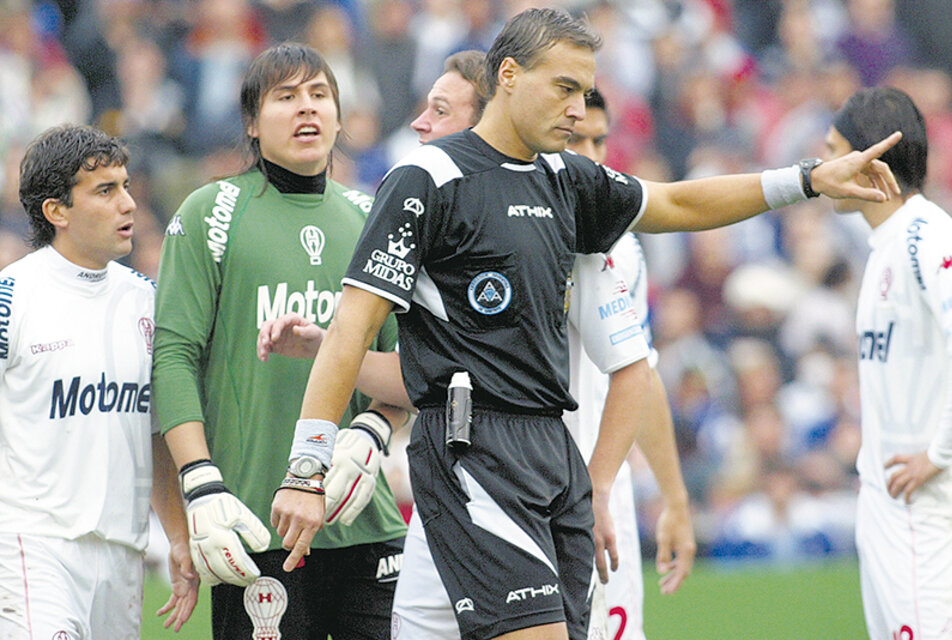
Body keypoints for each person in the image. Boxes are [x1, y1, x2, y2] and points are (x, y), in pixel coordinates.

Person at [270, 9, 901, 640]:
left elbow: (676, 201)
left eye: (585, 90)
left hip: (556, 454)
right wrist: (307, 469)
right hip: (473, 452)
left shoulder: (567, 181)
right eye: (564, 87)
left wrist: (808, 180)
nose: (578, 108)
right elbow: (350, 331)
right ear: (509, 75)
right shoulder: (429, 178)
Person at [260, 64, 696, 640]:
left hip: (561, 495)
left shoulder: (585, 229)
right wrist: (324, 353)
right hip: (459, 478)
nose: (421, 124)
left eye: (441, 110)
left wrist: (637, 490)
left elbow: (638, 372)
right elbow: (428, 377)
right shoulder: (439, 212)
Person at [152, 43, 409, 640]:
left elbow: (407, 366)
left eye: (320, 95)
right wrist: (201, 484)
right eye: (286, 97)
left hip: (365, 527)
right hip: (251, 524)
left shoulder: (371, 216)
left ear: (341, 118)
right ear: (250, 121)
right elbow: (172, 358)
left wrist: (371, 431)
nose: (307, 110)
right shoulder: (210, 211)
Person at [0, 124, 198, 639]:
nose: (128, 204)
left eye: (126, 186)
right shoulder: (9, 299)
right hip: (31, 545)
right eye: (105, 191)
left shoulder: (148, 299)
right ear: (56, 211)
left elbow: (155, 436)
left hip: (122, 555)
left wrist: (177, 535)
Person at [564, 88, 694, 640]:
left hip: (604, 488)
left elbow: (641, 372)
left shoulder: (625, 245)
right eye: (576, 140)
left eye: (600, 140)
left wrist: (675, 499)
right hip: (525, 481)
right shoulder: (507, 229)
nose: (592, 156)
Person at [823, 87, 952, 639]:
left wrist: (938, 452)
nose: (822, 165)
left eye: (834, 150)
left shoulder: (927, 237)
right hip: (884, 501)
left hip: (923, 503)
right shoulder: (883, 246)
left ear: (870, 162)